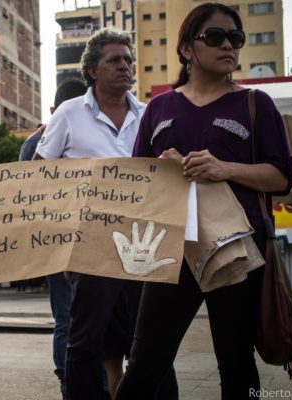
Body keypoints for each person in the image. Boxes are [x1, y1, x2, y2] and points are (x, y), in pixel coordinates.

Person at [114, 4, 292, 400]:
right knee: (145, 364)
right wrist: (160, 170)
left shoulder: (255, 103)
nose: (228, 44)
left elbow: (281, 176)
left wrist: (225, 168)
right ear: (186, 48)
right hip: (171, 250)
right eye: (215, 36)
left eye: (236, 37)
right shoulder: (159, 107)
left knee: (236, 365)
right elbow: (138, 182)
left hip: (235, 250)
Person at [34, 28, 178, 400]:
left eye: (129, 60)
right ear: (92, 70)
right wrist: (62, 240)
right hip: (89, 245)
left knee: (149, 342)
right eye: (115, 60)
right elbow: (38, 176)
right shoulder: (68, 113)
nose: (125, 66)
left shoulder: (150, 114)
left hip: (144, 243)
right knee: (84, 342)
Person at [19, 77, 87, 399]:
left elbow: (24, 194)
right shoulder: (88, 133)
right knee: (88, 317)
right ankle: (88, 382)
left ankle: (68, 382)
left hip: (53, 243)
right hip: (86, 239)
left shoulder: (33, 143)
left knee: (65, 318)